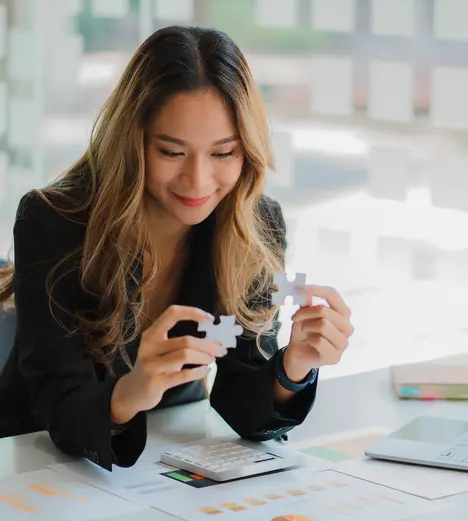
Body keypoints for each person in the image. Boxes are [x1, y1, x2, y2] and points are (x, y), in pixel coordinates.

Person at [0, 25, 353, 471]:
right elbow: (58, 402)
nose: (199, 181)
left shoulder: (256, 224)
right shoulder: (53, 220)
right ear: (134, 143)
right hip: (33, 459)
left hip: (164, 455)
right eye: (171, 152)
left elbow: (243, 400)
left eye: (223, 154)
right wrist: (130, 393)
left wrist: (294, 367)